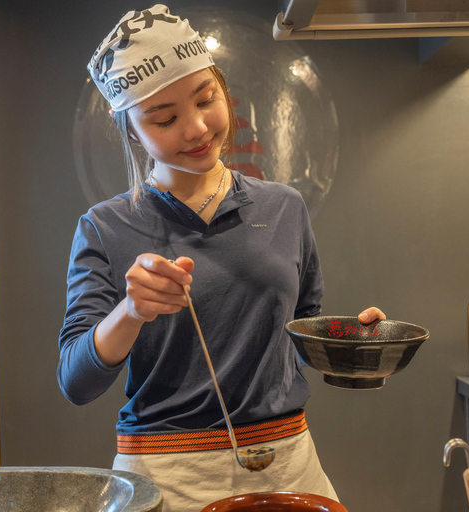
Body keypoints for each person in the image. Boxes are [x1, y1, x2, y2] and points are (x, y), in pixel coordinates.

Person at [58, 5, 385, 511]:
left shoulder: (284, 206)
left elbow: (303, 330)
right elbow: (76, 381)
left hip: (287, 463)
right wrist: (132, 310)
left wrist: (354, 345)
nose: (195, 129)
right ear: (131, 130)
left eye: (206, 99)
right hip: (166, 474)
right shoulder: (104, 227)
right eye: (164, 118)